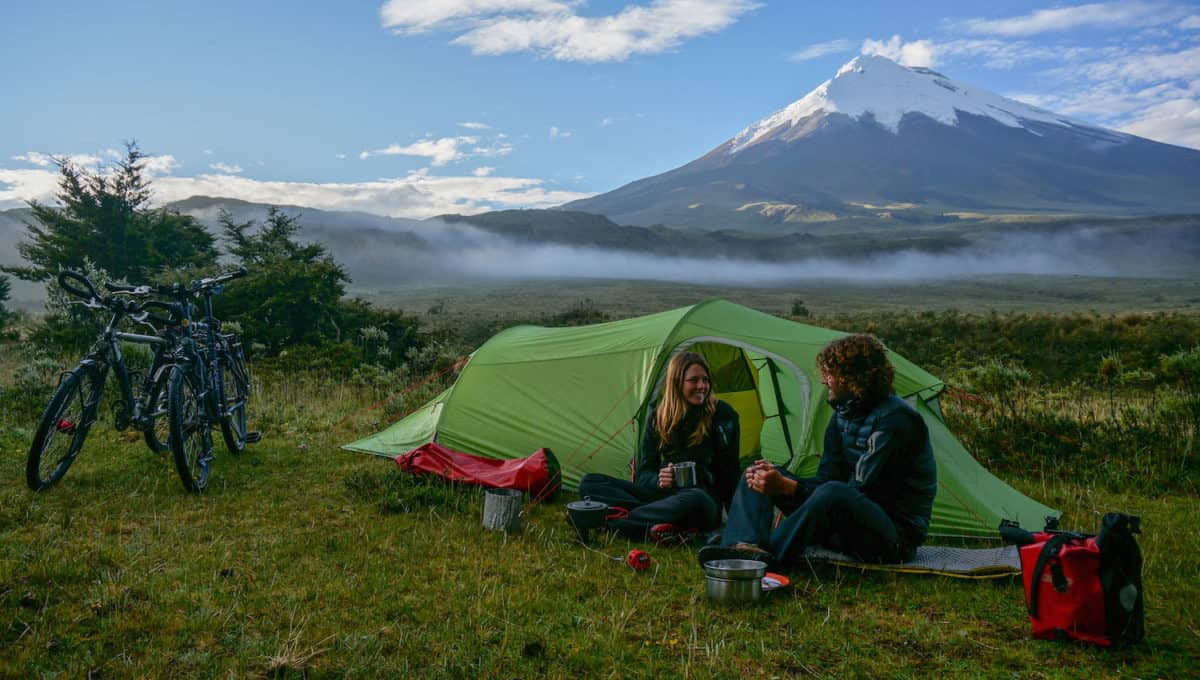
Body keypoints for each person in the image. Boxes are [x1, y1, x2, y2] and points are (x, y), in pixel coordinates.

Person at [698, 334, 936, 566]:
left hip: (892, 539)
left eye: (830, 374)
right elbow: (827, 479)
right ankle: (743, 544)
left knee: (833, 492)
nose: (824, 380)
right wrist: (780, 483)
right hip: (846, 526)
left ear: (852, 378)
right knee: (758, 471)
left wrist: (790, 488)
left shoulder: (897, 421)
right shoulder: (843, 416)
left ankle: (765, 555)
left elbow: (860, 492)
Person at [578, 351, 740, 542]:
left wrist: (737, 525)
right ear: (677, 383)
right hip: (662, 497)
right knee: (590, 482)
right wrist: (659, 480)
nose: (702, 386)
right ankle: (660, 525)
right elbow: (644, 473)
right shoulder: (659, 417)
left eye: (705, 380)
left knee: (693, 499)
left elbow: (730, 474)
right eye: (694, 380)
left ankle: (617, 523)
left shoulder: (722, 415)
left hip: (701, 501)